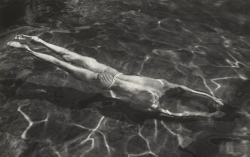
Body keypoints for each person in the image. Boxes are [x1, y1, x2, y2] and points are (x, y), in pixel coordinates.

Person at [7, 34, 225, 118]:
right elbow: (173, 114)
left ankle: (37, 40)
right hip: (103, 82)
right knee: (59, 64)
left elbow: (187, 90)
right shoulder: (152, 105)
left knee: (68, 55)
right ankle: (24, 49)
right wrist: (205, 115)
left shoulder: (163, 84)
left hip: (109, 71)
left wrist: (209, 97)